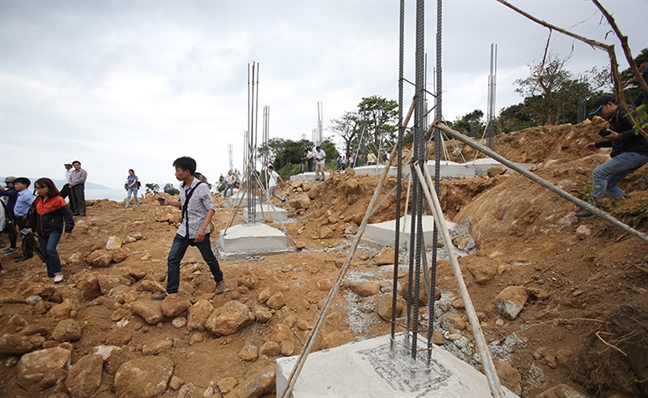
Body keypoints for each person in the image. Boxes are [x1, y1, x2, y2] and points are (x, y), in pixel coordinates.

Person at [151, 156, 226, 300]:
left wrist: (203, 229)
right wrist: (168, 202)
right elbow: (183, 204)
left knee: (209, 258)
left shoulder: (202, 187)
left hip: (199, 231)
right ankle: (170, 292)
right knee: (173, 259)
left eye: (177, 171)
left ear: (186, 172)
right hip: (184, 230)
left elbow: (211, 208)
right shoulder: (182, 187)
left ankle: (219, 280)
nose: (175, 174)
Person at [576, 95, 648, 217]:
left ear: (610, 104)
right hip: (633, 154)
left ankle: (592, 206)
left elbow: (642, 128)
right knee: (609, 183)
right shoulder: (614, 118)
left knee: (599, 173)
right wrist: (598, 144)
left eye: (600, 110)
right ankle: (627, 205)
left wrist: (619, 136)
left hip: (636, 153)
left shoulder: (625, 112)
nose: (600, 114)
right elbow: (617, 138)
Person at [30, 178, 74, 283]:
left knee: (50, 249)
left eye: (42, 188)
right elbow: (32, 214)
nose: (39, 190)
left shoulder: (58, 200)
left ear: (49, 187)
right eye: (37, 188)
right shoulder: (38, 200)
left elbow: (68, 215)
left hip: (54, 229)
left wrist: (68, 229)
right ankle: (50, 273)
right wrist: (30, 226)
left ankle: (58, 272)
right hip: (41, 230)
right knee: (45, 252)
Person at [11, 178, 35, 263]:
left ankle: (28, 253)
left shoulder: (26, 195)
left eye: (17, 184)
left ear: (24, 185)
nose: (15, 186)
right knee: (23, 236)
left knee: (26, 236)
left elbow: (33, 205)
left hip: (24, 219)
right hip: (19, 218)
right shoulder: (20, 194)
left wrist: (27, 215)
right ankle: (24, 252)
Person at [0, 177, 18, 255]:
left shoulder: (14, 192)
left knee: (11, 230)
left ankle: (13, 247)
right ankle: (12, 246)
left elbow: (5, 193)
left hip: (13, 214)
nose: (7, 185)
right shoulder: (11, 190)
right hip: (9, 213)